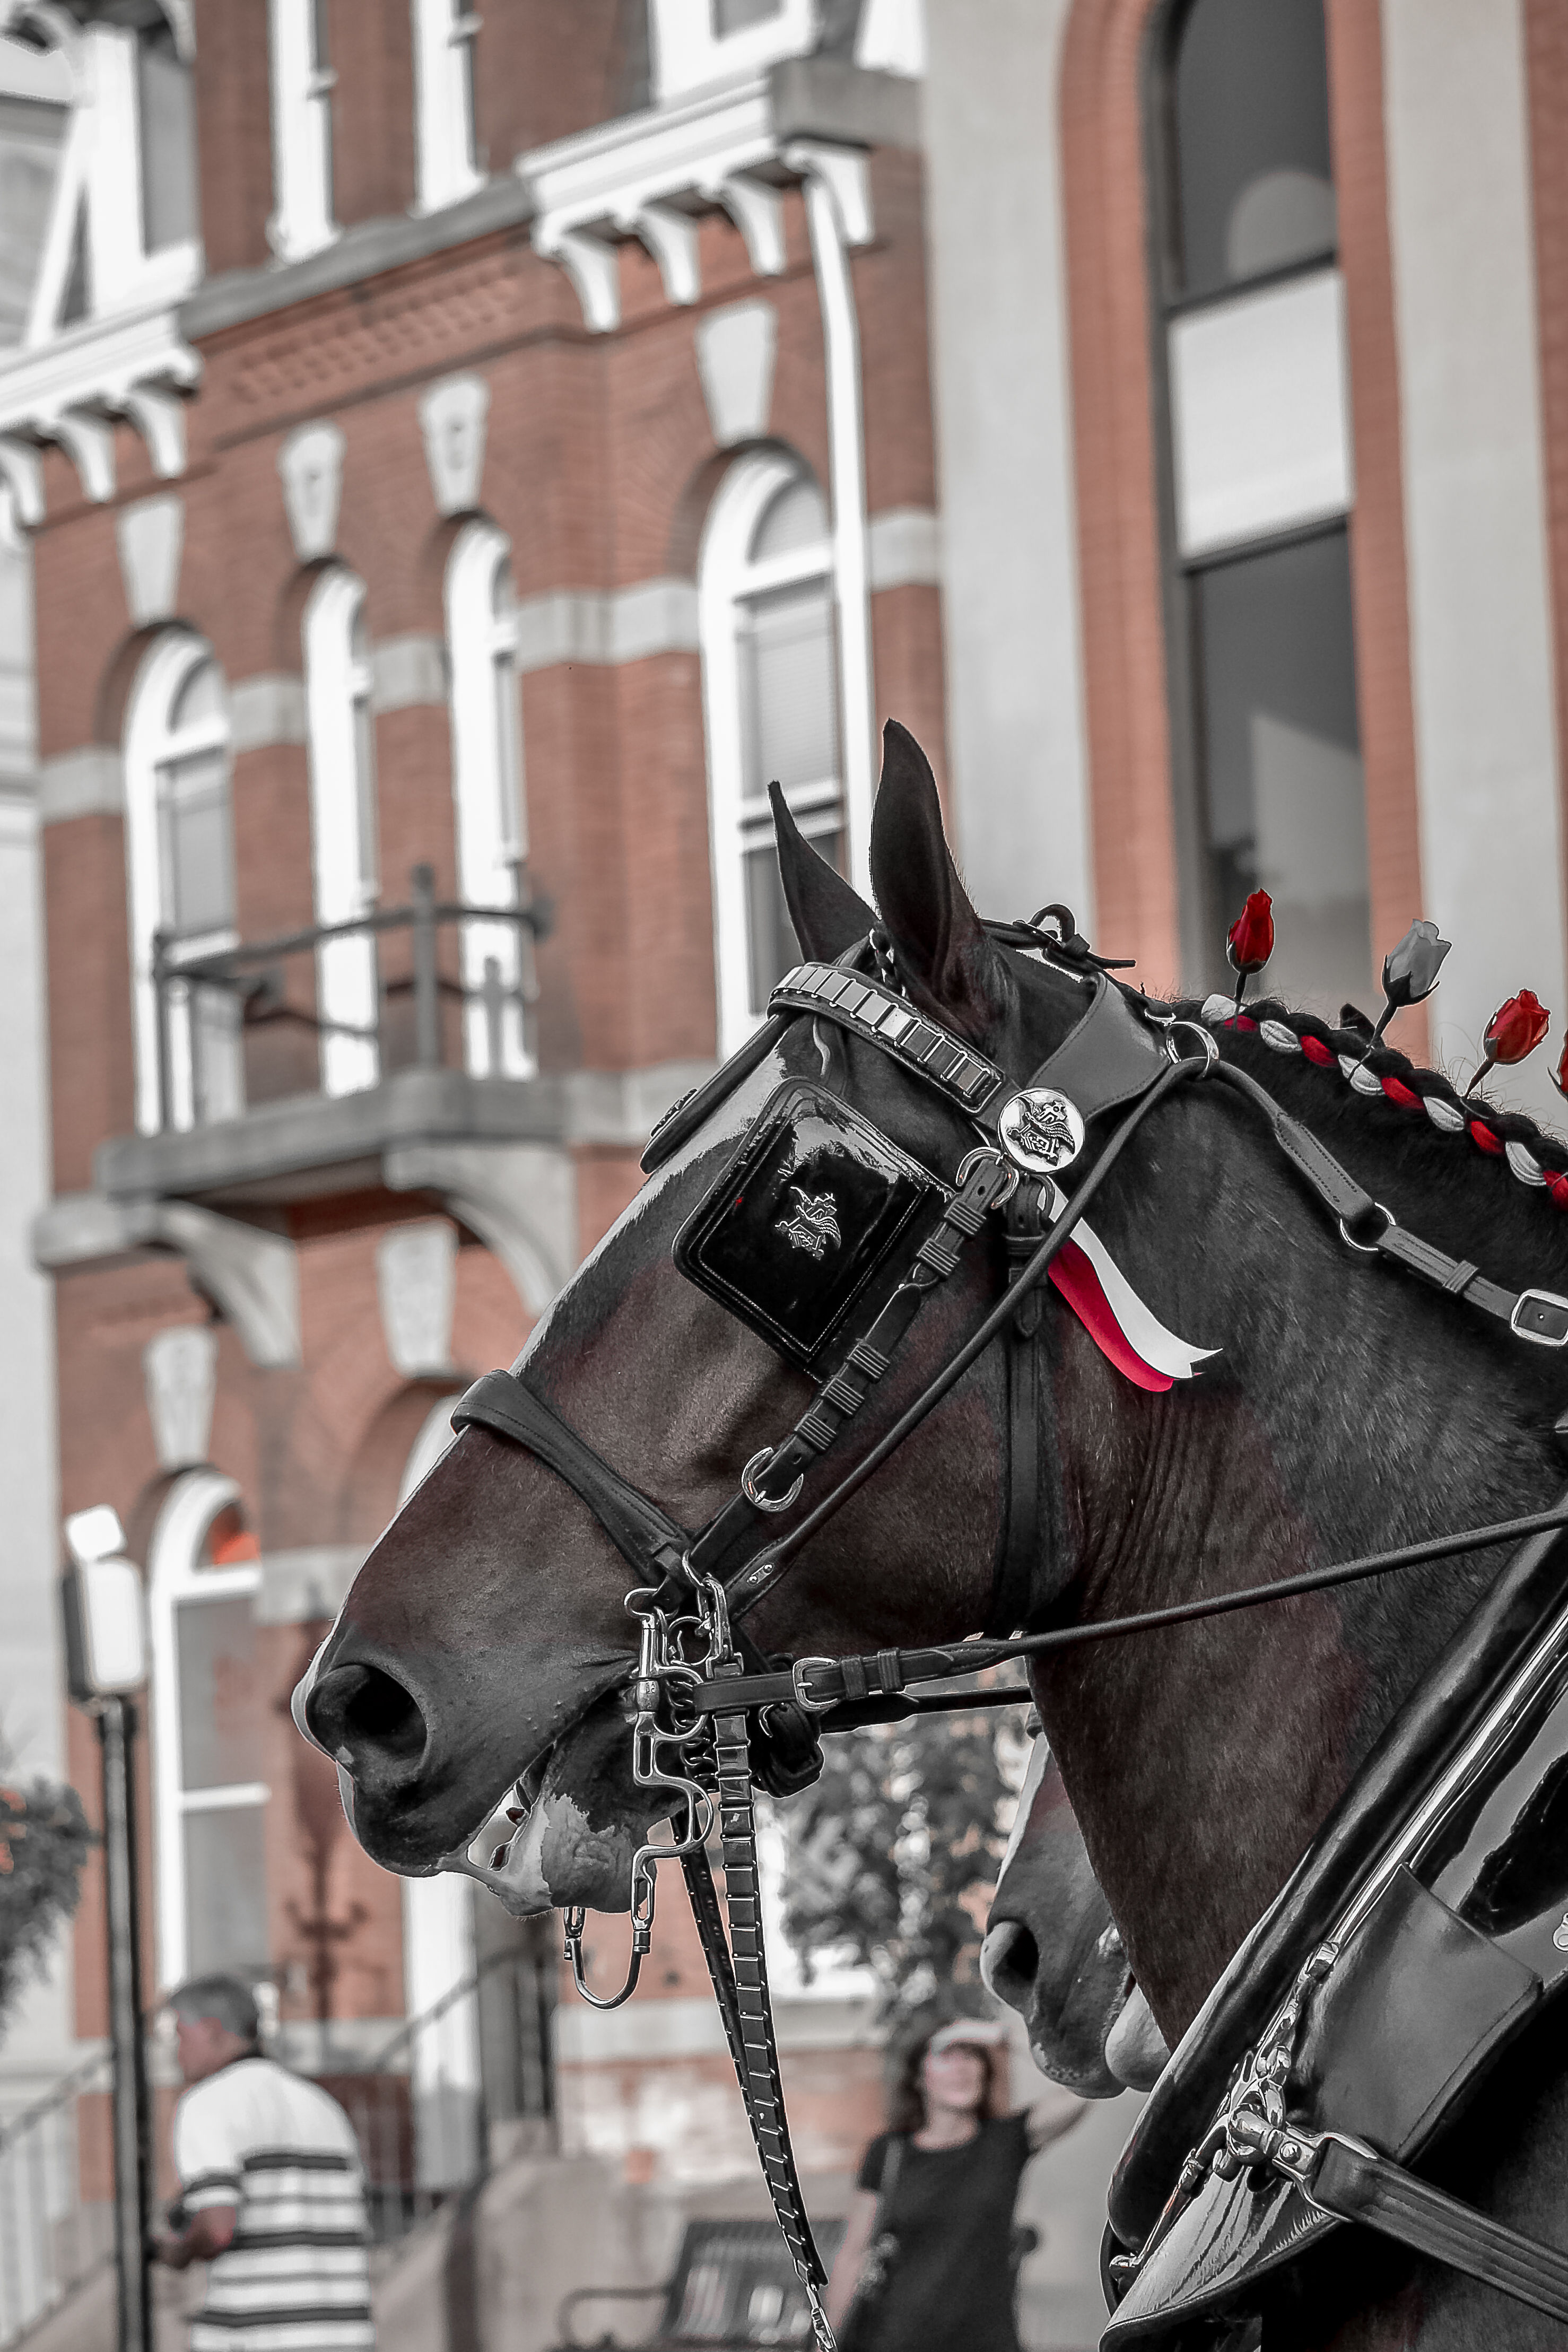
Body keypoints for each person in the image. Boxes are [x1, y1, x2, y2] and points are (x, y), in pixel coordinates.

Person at [824, 2017, 1083, 2352]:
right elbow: (853, 2254)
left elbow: (1080, 2091)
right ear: (919, 2076)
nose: (962, 2067)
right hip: (892, 2340)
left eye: (972, 2056)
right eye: (947, 2055)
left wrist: (1004, 2034)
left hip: (987, 2341)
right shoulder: (889, 2152)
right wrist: (828, 2340)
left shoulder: (1006, 2141)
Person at [152, 1974, 374, 2352]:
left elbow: (218, 2228)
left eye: (179, 2034)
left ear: (210, 2031)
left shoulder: (207, 2104)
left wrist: (178, 2249)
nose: (176, 2052)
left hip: (258, 2334)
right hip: (344, 2332)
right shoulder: (322, 2106)